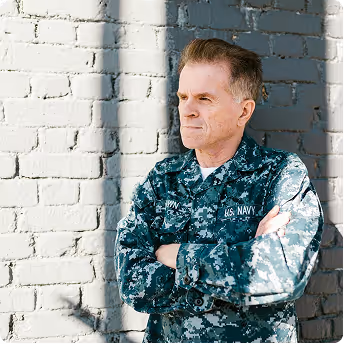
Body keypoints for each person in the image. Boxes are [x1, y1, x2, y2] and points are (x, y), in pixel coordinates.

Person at [115, 38, 324, 343]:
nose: (187, 110)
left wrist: (177, 255)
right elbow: (133, 283)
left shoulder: (279, 176)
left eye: (204, 98)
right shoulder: (163, 180)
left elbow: (282, 274)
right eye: (183, 96)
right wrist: (239, 261)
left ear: (243, 111)